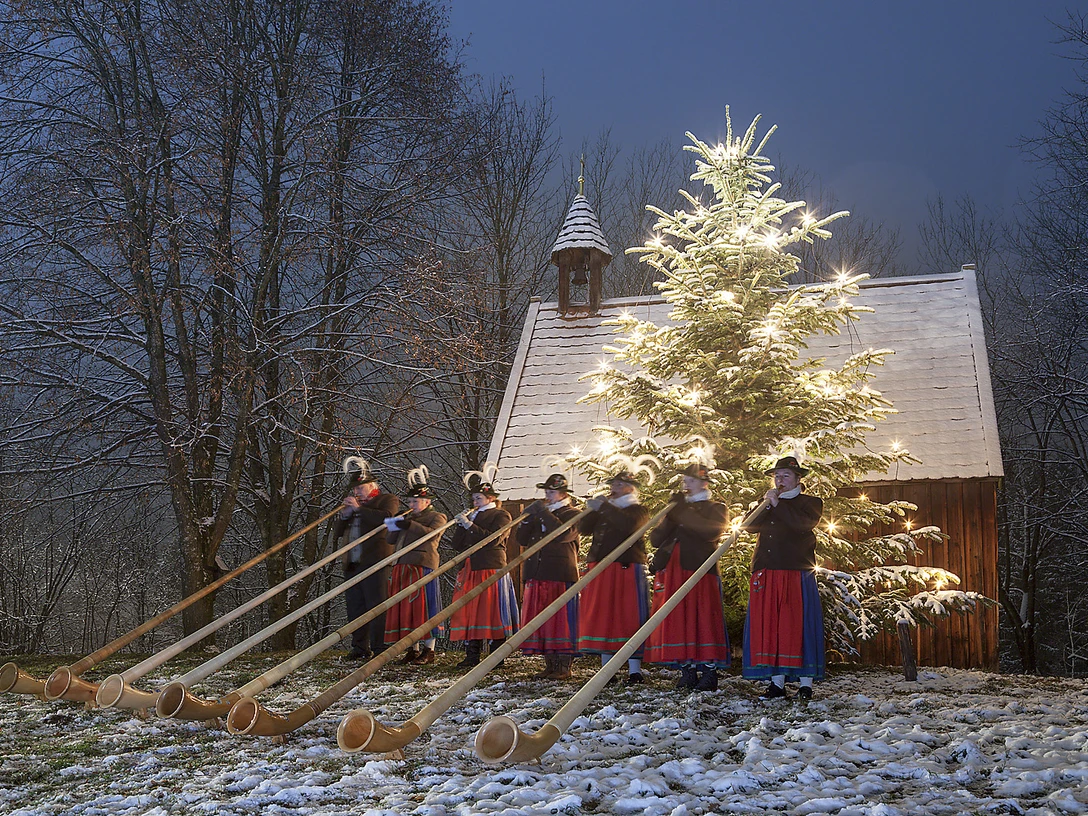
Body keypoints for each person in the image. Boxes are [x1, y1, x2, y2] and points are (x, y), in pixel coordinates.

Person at [742, 455, 825, 701]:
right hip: (767, 570)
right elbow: (748, 527)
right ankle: (776, 684)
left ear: (798, 479)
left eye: (785, 475)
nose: (779, 480)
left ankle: (805, 684)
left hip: (795, 571)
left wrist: (777, 504)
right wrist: (765, 505)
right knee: (772, 627)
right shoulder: (767, 502)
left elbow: (802, 525)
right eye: (776, 476)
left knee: (797, 627)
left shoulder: (809, 503)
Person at [646, 463, 731, 691]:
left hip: (699, 570)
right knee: (678, 617)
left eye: (691, 480)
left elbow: (710, 532)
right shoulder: (677, 509)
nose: (686, 484)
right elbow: (656, 539)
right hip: (673, 569)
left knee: (702, 616)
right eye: (685, 480)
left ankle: (709, 671)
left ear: (704, 483)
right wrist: (671, 516)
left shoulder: (715, 508)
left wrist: (682, 512)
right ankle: (687, 670)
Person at [577, 470, 651, 684]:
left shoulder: (638, 510)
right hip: (601, 567)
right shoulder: (606, 510)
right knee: (604, 616)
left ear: (630, 488)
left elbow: (629, 526)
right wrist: (593, 511)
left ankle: (634, 670)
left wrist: (605, 508)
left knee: (628, 615)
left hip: (626, 568)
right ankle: (606, 669)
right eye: (613, 484)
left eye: (619, 485)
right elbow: (584, 529)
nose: (614, 488)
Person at [447, 473, 520, 668]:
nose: (475, 502)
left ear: (491, 498)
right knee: (470, 609)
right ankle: (472, 654)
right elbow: (457, 544)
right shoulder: (474, 515)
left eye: (479, 498)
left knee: (492, 609)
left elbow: (493, 539)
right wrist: (462, 525)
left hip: (490, 567)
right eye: (474, 498)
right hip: (471, 567)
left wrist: (470, 524)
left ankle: (497, 656)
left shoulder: (501, 515)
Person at [332, 456, 400, 661]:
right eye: (355, 489)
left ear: (372, 486)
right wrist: (344, 516)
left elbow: (387, 519)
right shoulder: (354, 507)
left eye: (360, 488)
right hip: (352, 563)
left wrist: (359, 509)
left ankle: (380, 646)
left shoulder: (387, 499)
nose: (357, 492)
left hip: (376, 562)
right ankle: (360, 646)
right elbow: (336, 533)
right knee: (355, 606)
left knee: (377, 605)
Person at [516, 473, 581, 680]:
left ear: (563, 494)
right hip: (537, 571)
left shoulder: (574, 513)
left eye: (551, 492)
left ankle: (564, 664)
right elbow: (522, 539)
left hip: (559, 573)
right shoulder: (540, 515)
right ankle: (550, 664)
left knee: (560, 620)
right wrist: (526, 521)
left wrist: (543, 513)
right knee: (542, 620)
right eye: (546, 491)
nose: (547, 495)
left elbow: (563, 534)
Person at [382, 467, 447, 665]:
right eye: (410, 501)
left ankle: (429, 649)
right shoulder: (408, 517)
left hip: (422, 565)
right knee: (406, 609)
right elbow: (390, 539)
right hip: (402, 565)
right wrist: (396, 523)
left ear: (427, 502)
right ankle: (412, 648)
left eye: (415, 501)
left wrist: (409, 525)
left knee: (424, 608)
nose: (412, 504)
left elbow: (433, 534)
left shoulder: (437, 517)